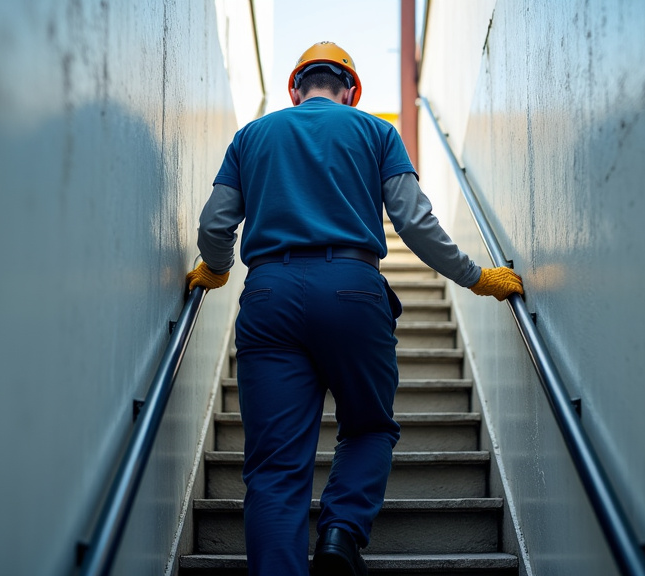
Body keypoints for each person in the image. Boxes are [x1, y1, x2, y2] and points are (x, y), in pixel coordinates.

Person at [186, 41, 523, 576]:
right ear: (350, 91)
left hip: (269, 294)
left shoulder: (251, 136)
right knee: (368, 427)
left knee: (273, 466)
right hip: (353, 289)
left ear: (295, 89)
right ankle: (340, 534)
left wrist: (217, 266)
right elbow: (414, 221)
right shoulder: (377, 132)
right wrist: (476, 277)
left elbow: (215, 223)